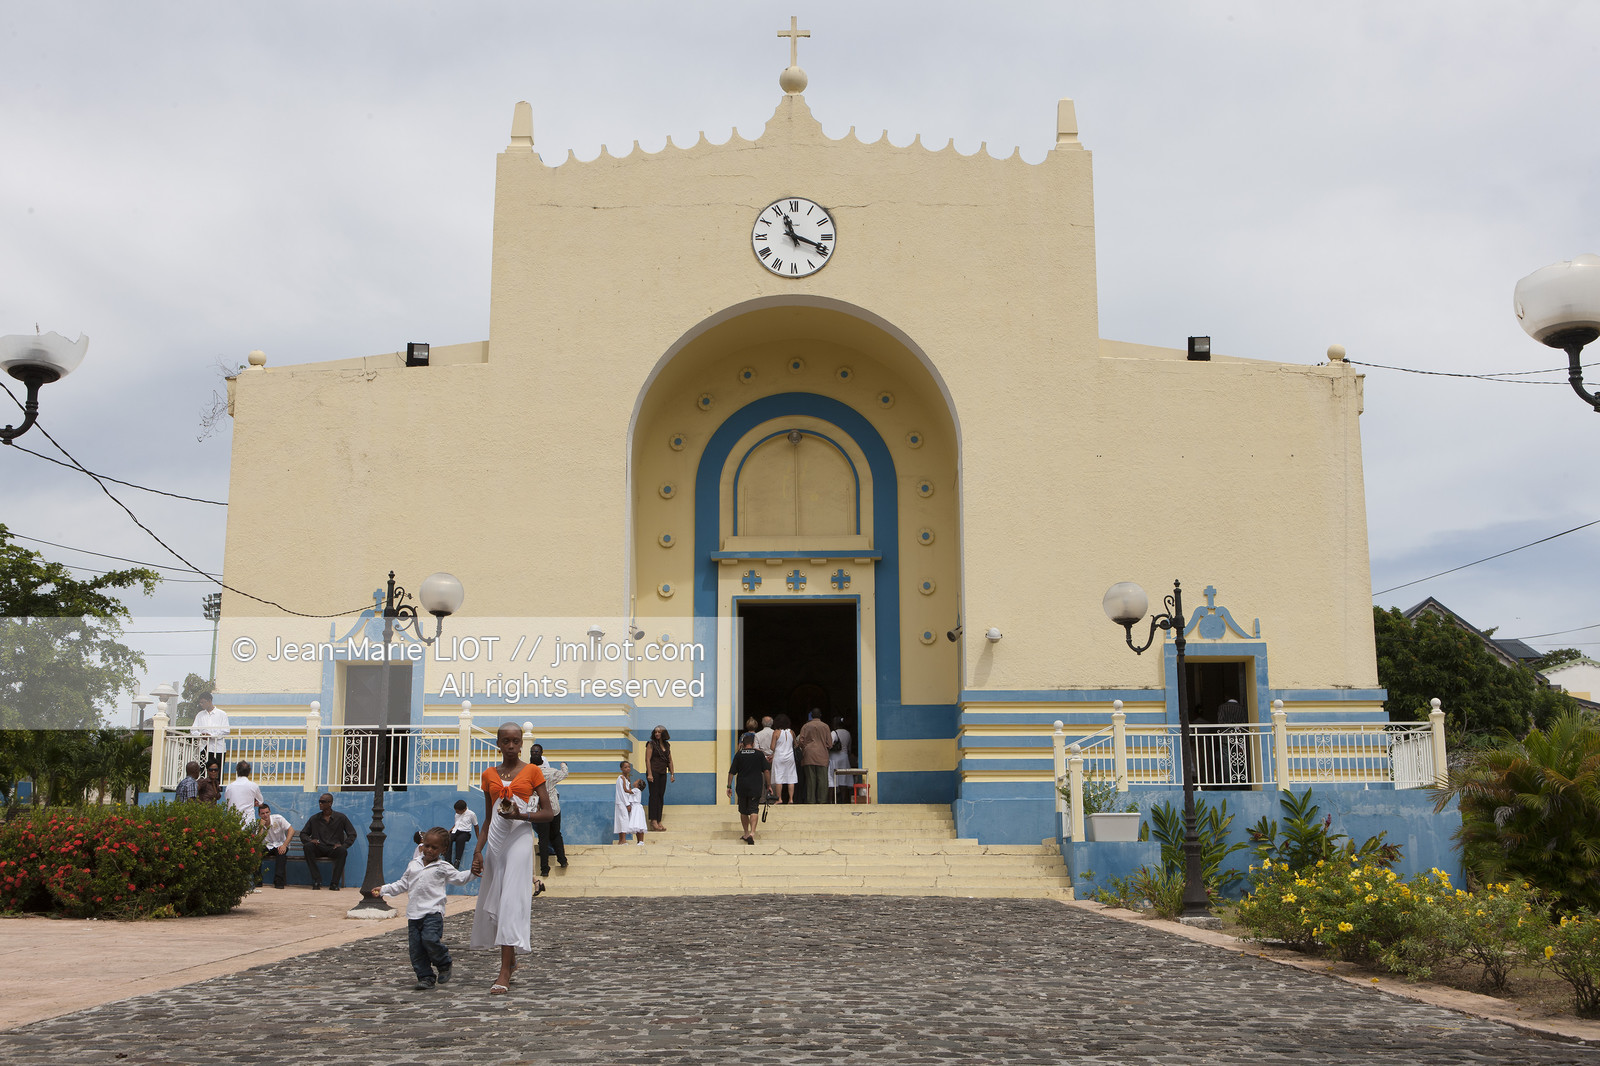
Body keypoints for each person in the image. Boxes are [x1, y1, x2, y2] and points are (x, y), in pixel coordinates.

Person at [470, 722, 555, 996]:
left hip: (519, 836)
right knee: (495, 899)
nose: (510, 746)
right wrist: (477, 850)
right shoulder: (488, 774)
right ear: (498, 743)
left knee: (509, 901)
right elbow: (487, 818)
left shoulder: (532, 772)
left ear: (521, 744)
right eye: (505, 741)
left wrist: (521, 816)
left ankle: (504, 971)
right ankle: (511, 960)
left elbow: (548, 813)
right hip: (494, 841)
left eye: (515, 741)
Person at [367, 826, 476, 990]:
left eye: (434, 847)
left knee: (430, 939)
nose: (429, 850)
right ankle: (425, 977)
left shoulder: (443, 867)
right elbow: (402, 884)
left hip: (433, 913)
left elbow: (459, 878)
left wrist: (473, 872)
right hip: (414, 914)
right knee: (416, 950)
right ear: (422, 845)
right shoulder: (413, 864)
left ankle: (444, 962)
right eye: (427, 846)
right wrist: (383, 889)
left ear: (443, 849)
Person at [300, 792, 357, 890]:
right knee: (307, 847)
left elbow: (352, 834)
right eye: (319, 802)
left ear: (330, 803)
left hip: (333, 848)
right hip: (319, 847)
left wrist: (343, 845)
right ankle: (317, 880)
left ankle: (334, 883)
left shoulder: (341, 817)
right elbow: (303, 834)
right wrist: (310, 840)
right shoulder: (314, 818)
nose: (320, 804)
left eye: (323, 802)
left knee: (343, 851)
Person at [529, 743, 569, 876]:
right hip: (554, 808)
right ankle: (562, 860)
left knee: (543, 838)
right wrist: (563, 764)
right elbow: (565, 774)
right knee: (556, 834)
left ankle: (544, 869)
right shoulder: (550, 772)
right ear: (542, 754)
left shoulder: (528, 773)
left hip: (540, 809)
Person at [726, 731, 772, 845]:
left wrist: (728, 786)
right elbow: (766, 770)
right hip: (755, 786)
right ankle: (752, 833)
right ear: (752, 743)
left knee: (743, 811)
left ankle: (746, 833)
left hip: (742, 787)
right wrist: (769, 785)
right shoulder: (759, 754)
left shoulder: (739, 754)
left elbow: (732, 772)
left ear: (743, 743)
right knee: (753, 809)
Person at [189, 694, 229, 782]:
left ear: (209, 701)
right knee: (203, 769)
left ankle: (217, 790)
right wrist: (201, 735)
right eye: (200, 703)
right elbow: (193, 730)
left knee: (218, 770)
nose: (201, 704)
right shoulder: (200, 715)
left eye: (203, 702)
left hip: (218, 747)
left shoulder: (222, 714)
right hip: (204, 746)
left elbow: (226, 730)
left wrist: (211, 735)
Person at [796, 710, 832, 804]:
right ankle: (822, 801)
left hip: (808, 755)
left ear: (811, 716)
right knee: (823, 780)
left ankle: (811, 801)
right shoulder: (825, 726)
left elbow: (801, 741)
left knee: (810, 780)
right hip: (822, 755)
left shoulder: (806, 726)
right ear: (820, 715)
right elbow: (829, 744)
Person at [257, 802, 294, 889]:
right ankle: (257, 881)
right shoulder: (259, 824)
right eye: (262, 813)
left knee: (281, 853)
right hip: (267, 846)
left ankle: (279, 882)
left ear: (270, 812)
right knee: (257, 854)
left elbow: (291, 830)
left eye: (267, 812)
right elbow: (258, 841)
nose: (265, 815)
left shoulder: (278, 818)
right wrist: (261, 827)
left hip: (280, 844)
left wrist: (285, 845)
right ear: (259, 815)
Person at [644, 725, 674, 832]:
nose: (657, 734)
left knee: (661, 796)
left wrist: (672, 773)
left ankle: (659, 820)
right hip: (654, 772)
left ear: (663, 733)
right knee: (654, 796)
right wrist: (650, 774)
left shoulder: (667, 745)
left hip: (663, 773)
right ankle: (653, 821)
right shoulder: (651, 744)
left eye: (659, 732)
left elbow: (670, 760)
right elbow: (647, 760)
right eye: (655, 732)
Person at [613, 760, 647, 844]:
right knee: (623, 819)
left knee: (625, 820)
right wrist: (627, 804)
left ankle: (622, 840)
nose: (628, 768)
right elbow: (623, 792)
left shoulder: (627, 780)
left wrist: (627, 780)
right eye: (625, 767)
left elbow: (628, 791)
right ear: (621, 768)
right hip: (622, 803)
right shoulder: (620, 778)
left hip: (628, 804)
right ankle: (623, 840)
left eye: (628, 767)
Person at [768, 714, 797, 804]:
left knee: (779, 777)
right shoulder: (791, 732)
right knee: (791, 778)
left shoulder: (776, 732)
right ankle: (791, 799)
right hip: (790, 757)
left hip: (779, 757)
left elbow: (772, 747)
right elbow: (795, 744)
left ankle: (779, 799)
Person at [828, 716, 854, 803]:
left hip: (834, 758)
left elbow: (829, 745)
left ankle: (831, 800)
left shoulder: (833, 733)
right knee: (843, 779)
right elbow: (849, 748)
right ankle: (844, 800)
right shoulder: (847, 733)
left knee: (831, 778)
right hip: (844, 757)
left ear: (834, 724)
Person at [449, 799, 478, 869]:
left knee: (460, 840)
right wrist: (450, 830)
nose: (456, 812)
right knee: (448, 839)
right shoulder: (457, 814)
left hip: (465, 832)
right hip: (456, 830)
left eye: (458, 811)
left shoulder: (471, 814)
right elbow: (457, 823)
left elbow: (476, 825)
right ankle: (448, 860)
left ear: (464, 809)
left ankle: (457, 860)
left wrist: (478, 837)